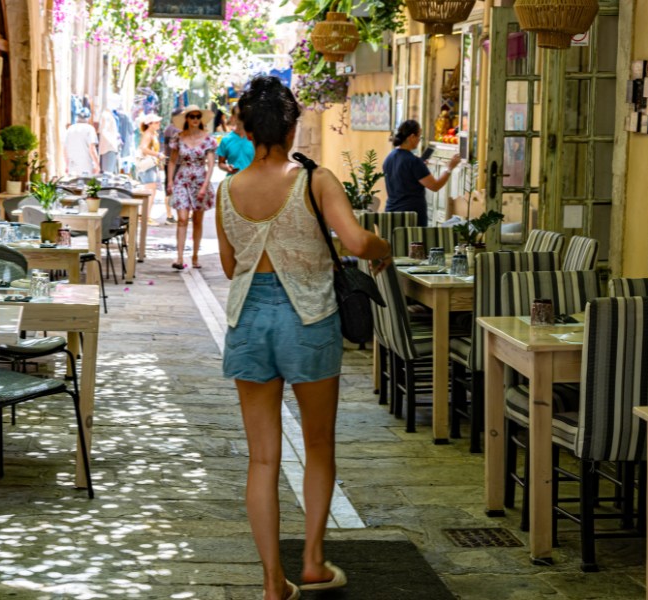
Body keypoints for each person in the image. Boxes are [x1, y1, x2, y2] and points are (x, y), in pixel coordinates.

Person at [216, 75, 393, 600]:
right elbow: (358, 241)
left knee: (262, 458)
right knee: (317, 444)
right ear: (293, 124)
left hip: (247, 321)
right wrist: (382, 250)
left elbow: (231, 268)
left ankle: (274, 583)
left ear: (246, 129)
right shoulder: (316, 181)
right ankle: (312, 561)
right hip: (308, 319)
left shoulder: (227, 189)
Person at [166, 105, 217, 270]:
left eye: (197, 116)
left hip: (200, 181)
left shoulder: (208, 139)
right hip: (182, 180)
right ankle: (179, 258)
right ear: (186, 118)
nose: (195, 119)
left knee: (197, 221)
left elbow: (210, 166)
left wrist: (205, 186)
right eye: (192, 116)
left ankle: (195, 254)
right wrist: (170, 182)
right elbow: (173, 161)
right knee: (181, 220)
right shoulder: (178, 138)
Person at [382, 120, 461, 226]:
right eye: (419, 136)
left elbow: (404, 180)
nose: (420, 140)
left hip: (391, 215)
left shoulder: (389, 158)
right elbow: (435, 185)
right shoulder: (413, 161)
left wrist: (421, 169)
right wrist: (449, 168)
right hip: (411, 218)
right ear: (412, 137)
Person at [136, 113, 165, 227]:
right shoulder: (148, 134)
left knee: (150, 192)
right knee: (150, 192)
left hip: (151, 165)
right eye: (157, 122)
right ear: (150, 124)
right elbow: (144, 149)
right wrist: (157, 154)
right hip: (148, 166)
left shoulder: (153, 134)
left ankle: (144, 215)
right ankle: (144, 217)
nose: (159, 123)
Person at [216, 105, 255, 174]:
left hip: (252, 182)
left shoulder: (256, 138)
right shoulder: (226, 139)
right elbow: (220, 163)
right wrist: (228, 168)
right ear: (234, 118)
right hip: (233, 181)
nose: (243, 118)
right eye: (240, 115)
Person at [161, 108, 182, 224]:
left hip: (169, 163)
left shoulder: (168, 128)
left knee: (169, 189)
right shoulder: (176, 130)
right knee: (176, 189)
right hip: (176, 163)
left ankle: (170, 215)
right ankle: (171, 216)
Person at [64, 108, 99, 176]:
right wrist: (97, 165)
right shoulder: (90, 129)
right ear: (88, 118)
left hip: (72, 167)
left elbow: (65, 149)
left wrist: (67, 165)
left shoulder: (70, 129)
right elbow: (92, 149)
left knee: (72, 186)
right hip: (86, 167)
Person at [99, 94, 123, 175]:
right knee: (108, 174)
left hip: (111, 148)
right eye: (117, 102)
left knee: (111, 173)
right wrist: (113, 144)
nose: (118, 104)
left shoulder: (110, 114)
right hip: (109, 148)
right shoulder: (106, 115)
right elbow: (104, 131)